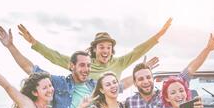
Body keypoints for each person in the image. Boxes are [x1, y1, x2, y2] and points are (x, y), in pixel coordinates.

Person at [17, 18, 172, 80]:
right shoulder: (83, 63)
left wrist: (159, 34)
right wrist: (35, 43)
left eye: (109, 47)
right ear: (94, 49)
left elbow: (138, 51)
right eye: (101, 47)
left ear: (112, 50)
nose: (105, 50)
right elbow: (56, 57)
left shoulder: (119, 63)